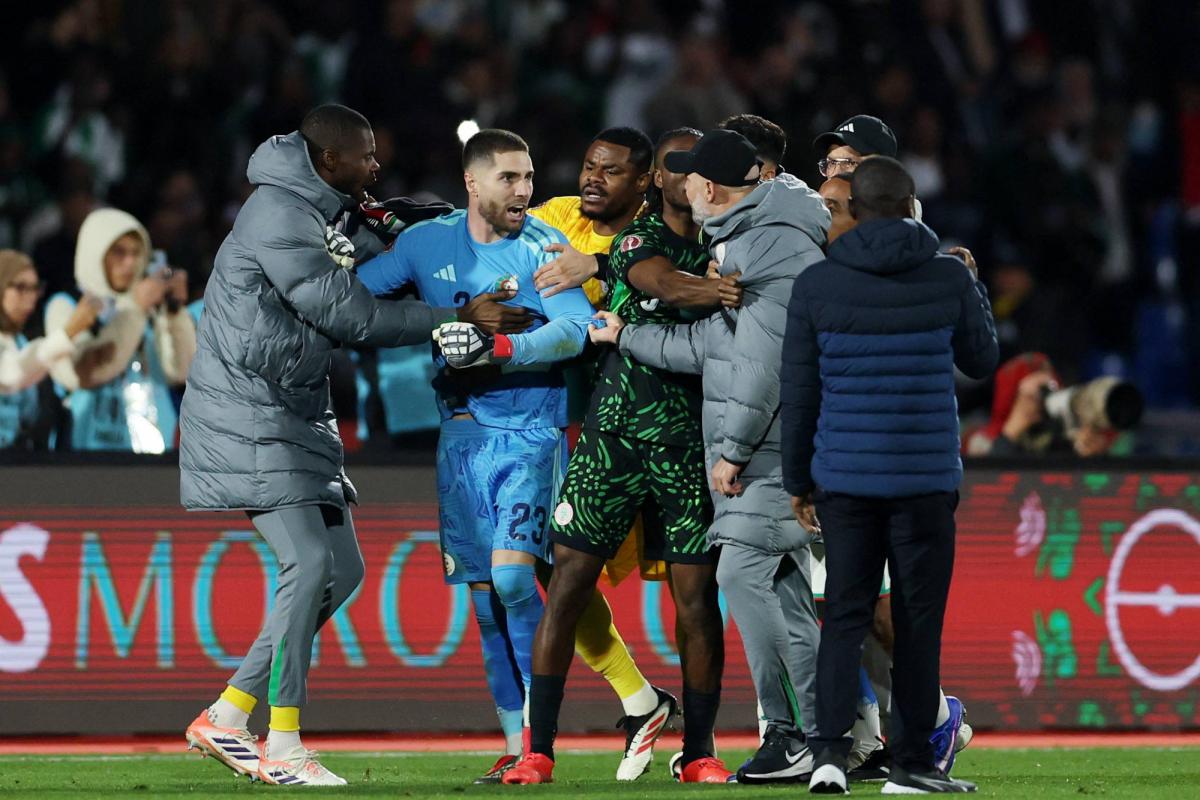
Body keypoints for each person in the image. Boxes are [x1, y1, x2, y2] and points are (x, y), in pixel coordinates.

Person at [180, 104, 517, 787]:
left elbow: (375, 260)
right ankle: (283, 744)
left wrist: (416, 222)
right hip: (250, 409)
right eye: (365, 155)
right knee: (306, 562)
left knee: (341, 569)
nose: (375, 164)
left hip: (295, 408)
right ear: (329, 160)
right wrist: (449, 319)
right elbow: (347, 312)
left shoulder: (324, 211)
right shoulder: (278, 213)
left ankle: (227, 713)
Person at [354, 128, 597, 784]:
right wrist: (343, 250)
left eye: (528, 177)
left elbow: (576, 329)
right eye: (510, 179)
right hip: (460, 436)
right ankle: (516, 743)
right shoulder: (425, 245)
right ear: (473, 183)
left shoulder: (543, 245)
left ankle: (540, 744)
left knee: (516, 580)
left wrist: (503, 349)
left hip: (530, 431)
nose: (524, 190)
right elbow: (352, 295)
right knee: (486, 598)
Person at [781, 157, 996, 795]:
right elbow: (982, 359)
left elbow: (800, 393)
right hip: (925, 480)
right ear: (910, 204)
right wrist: (970, 284)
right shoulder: (946, 277)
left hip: (844, 481)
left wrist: (799, 480)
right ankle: (911, 766)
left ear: (853, 208)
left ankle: (827, 756)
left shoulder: (817, 284)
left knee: (843, 616)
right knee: (916, 619)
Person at [526, 126, 685, 780]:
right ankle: (639, 701)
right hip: (586, 432)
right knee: (554, 570)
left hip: (662, 427)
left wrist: (595, 269)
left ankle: (777, 731)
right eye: (589, 166)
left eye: (611, 171)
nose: (593, 179)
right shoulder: (556, 216)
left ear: (642, 181)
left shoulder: (659, 236)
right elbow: (491, 239)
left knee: (701, 583)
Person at [42, 208, 195, 452]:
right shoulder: (67, 305)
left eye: (136, 253)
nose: (130, 263)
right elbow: (84, 374)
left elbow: (180, 372)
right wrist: (135, 310)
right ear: (96, 253)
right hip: (84, 456)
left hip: (154, 453)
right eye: (119, 253)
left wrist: (174, 312)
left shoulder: (147, 304)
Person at [0, 249, 99, 448]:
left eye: (35, 288)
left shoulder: (20, 342)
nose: (30, 298)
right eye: (21, 287)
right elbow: (12, 373)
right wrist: (69, 331)